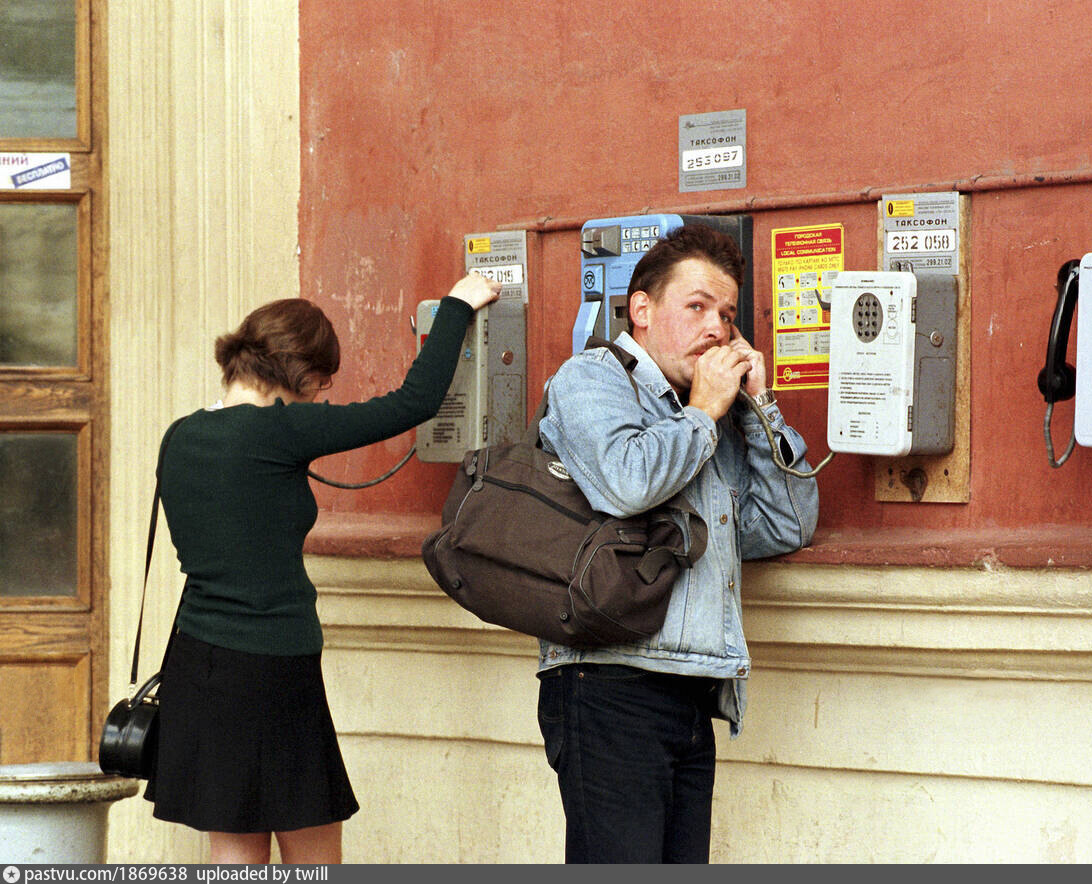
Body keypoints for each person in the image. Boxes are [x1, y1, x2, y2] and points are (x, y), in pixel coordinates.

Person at [143, 272, 501, 863]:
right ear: (303, 375)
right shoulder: (281, 430)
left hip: (198, 662)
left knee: (234, 851)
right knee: (313, 852)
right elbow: (413, 403)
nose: (320, 399)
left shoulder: (179, 436)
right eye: (321, 386)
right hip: (273, 662)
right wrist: (458, 306)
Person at [535, 224, 820, 863]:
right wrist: (704, 412)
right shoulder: (591, 379)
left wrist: (758, 408)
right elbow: (625, 481)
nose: (716, 328)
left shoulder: (713, 413)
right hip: (607, 684)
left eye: (726, 315)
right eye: (696, 306)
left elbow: (785, 526)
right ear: (642, 310)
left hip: (692, 688)